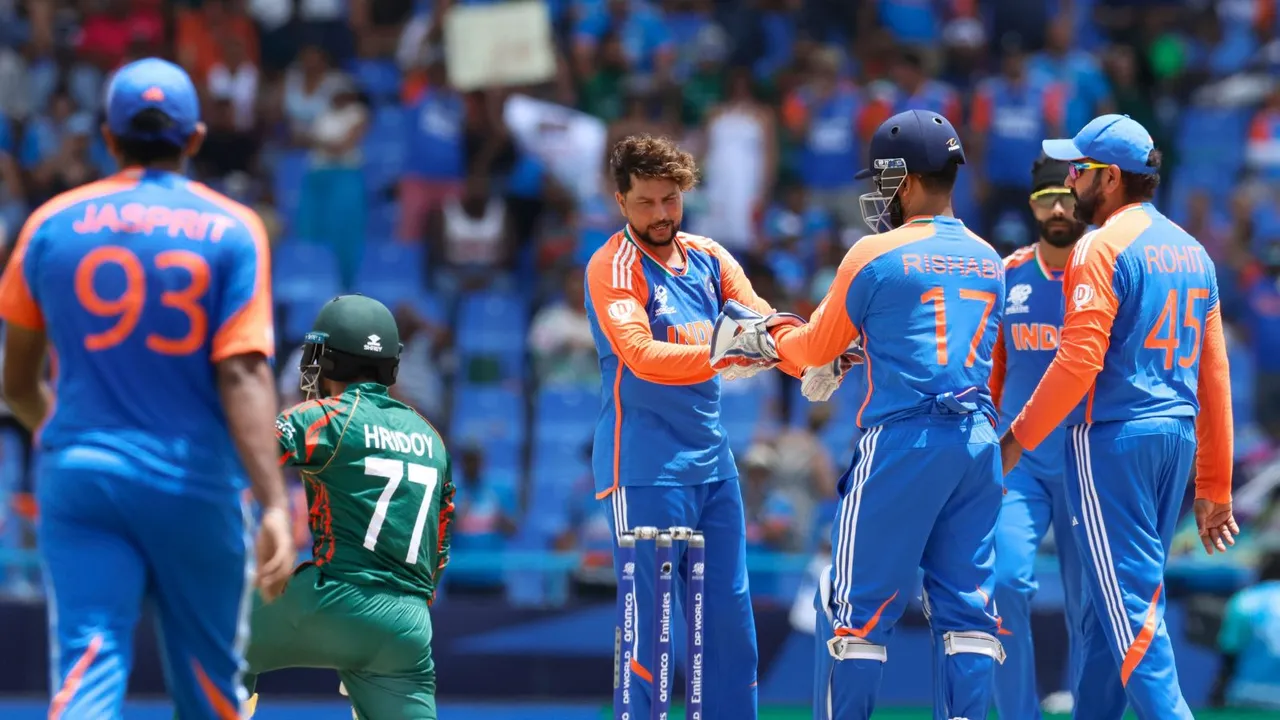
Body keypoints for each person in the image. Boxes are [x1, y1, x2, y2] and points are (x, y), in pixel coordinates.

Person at [0, 58, 293, 718]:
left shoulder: (49, 224)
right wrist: (275, 502)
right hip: (194, 488)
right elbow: (242, 372)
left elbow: (15, 380)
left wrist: (56, 428)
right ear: (193, 139)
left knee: (87, 666)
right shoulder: (232, 229)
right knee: (210, 685)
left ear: (109, 136)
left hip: (80, 480)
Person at [717, 109, 1007, 720]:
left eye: (881, 182)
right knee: (969, 612)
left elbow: (814, 352)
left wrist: (763, 339)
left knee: (857, 611)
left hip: (904, 440)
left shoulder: (875, 252)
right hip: (978, 440)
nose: (876, 196)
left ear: (903, 181)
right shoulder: (990, 260)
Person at [1000, 114, 1237, 719]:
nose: (1071, 180)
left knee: (1128, 611)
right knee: (1105, 610)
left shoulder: (1099, 247)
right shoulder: (1193, 251)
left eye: (1079, 170)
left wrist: (1018, 438)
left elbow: (1078, 363)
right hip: (1174, 442)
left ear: (1109, 179)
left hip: (1113, 441)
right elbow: (1214, 378)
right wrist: (1213, 484)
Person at [584, 134, 803, 720]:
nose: (661, 215)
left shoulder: (709, 256)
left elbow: (764, 326)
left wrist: (819, 353)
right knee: (649, 636)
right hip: (644, 467)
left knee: (730, 630)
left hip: (713, 468)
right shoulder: (613, 266)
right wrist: (726, 350)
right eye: (646, 202)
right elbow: (640, 354)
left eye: (671, 200)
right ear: (620, 201)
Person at [242, 294, 454, 720]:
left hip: (338, 599)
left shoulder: (331, 416)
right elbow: (440, 550)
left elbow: (252, 450)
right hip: (409, 625)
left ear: (333, 362)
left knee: (217, 636)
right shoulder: (430, 436)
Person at [988, 155, 1088, 718]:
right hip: (1018, 461)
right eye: (1046, 198)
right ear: (1030, 206)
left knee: (1089, 606)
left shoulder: (1105, 269)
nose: (1057, 208)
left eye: (1066, 197)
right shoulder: (1007, 274)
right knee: (1004, 585)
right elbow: (993, 372)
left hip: (1085, 462)